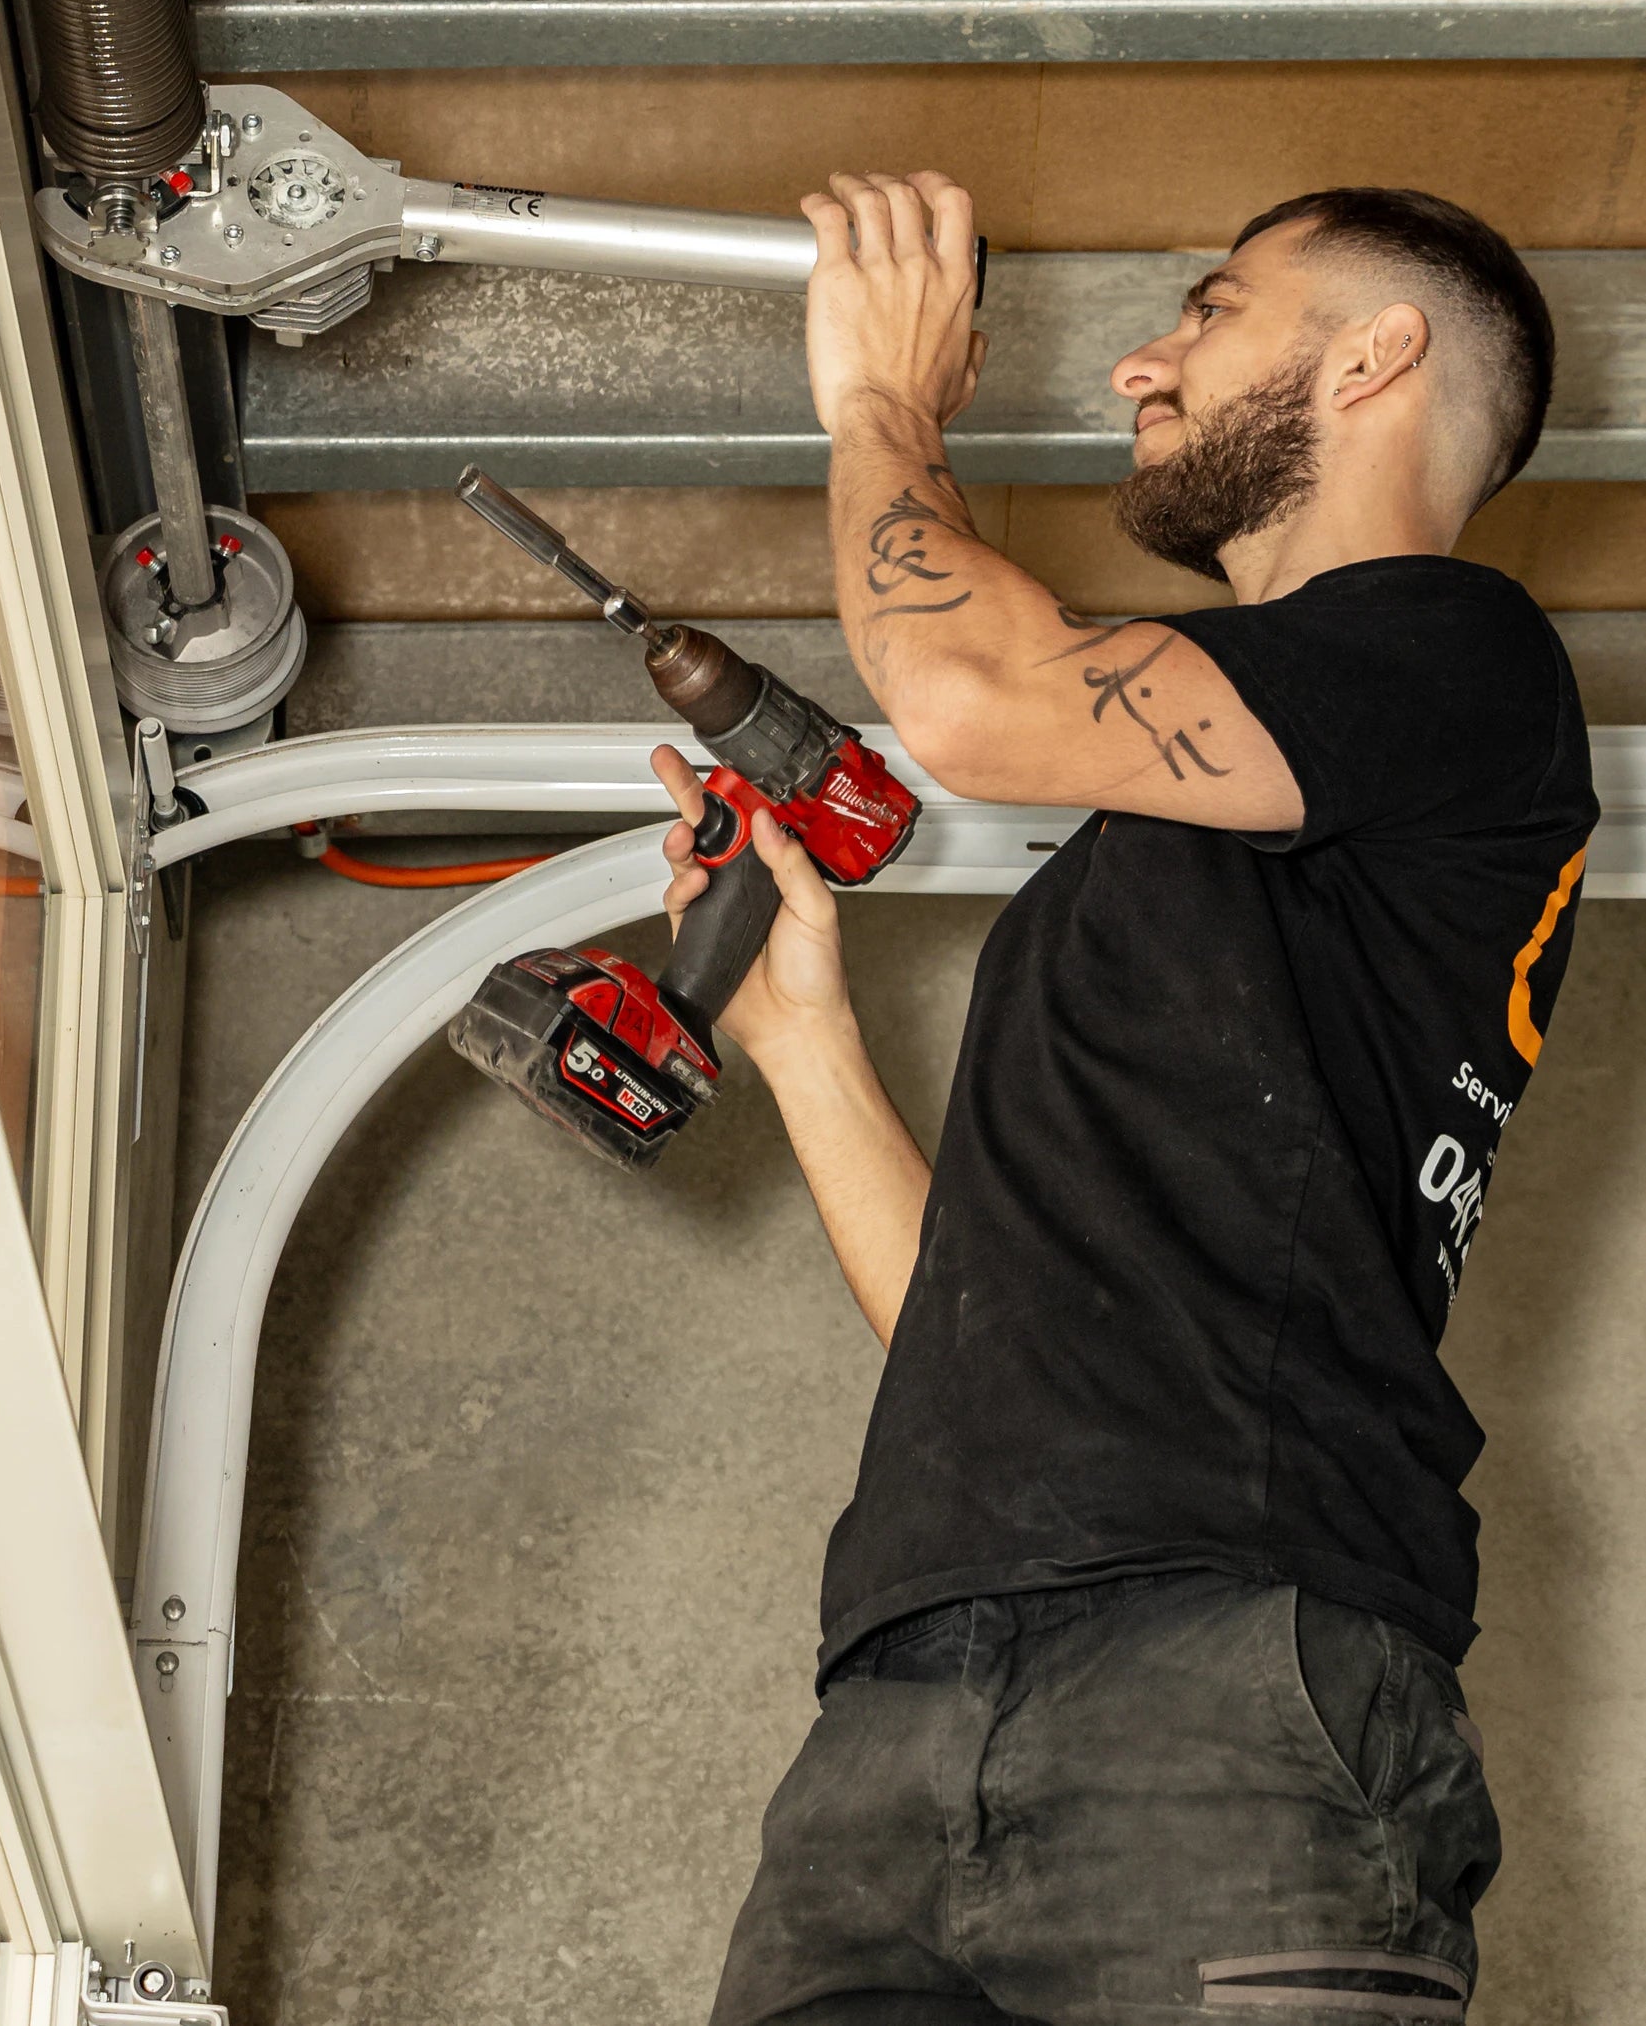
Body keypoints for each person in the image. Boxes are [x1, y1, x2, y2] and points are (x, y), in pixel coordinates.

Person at [651, 176, 1596, 2026]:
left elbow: (969, 694)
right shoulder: (1148, 865)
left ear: (1376, 351)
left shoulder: (1462, 662)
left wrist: (881, 409)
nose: (1136, 361)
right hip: (899, 1711)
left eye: (1212, 309)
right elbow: (971, 1330)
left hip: (1231, 1669)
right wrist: (805, 1039)